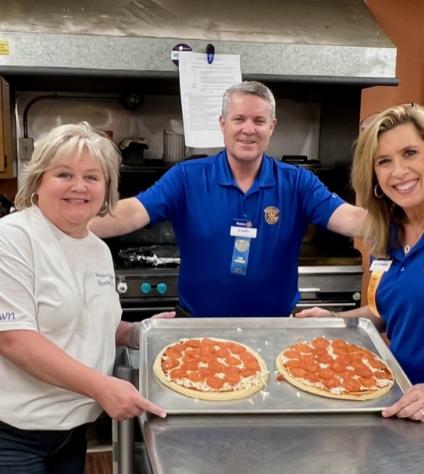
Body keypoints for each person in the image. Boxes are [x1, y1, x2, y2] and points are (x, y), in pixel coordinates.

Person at [296, 104, 424, 438]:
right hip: (405, 398)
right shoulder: (391, 229)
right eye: (384, 161)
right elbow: (396, 311)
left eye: (410, 153)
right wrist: (337, 319)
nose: (399, 171)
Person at [90, 81, 366, 317]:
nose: (248, 129)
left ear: (272, 126)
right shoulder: (187, 177)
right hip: (199, 327)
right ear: (222, 124)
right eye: (239, 119)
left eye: (259, 121)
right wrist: (60, 222)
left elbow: (349, 218)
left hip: (275, 327)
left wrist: (406, 220)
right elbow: (132, 212)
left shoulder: (296, 182)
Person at [0, 122, 166, 474]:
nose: (79, 186)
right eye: (64, 174)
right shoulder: (12, 238)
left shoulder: (95, 248)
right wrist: (102, 386)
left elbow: (90, 321)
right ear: (38, 181)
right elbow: (14, 340)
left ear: (107, 191)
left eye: (92, 177)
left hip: (72, 428)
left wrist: (138, 331)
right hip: (13, 433)